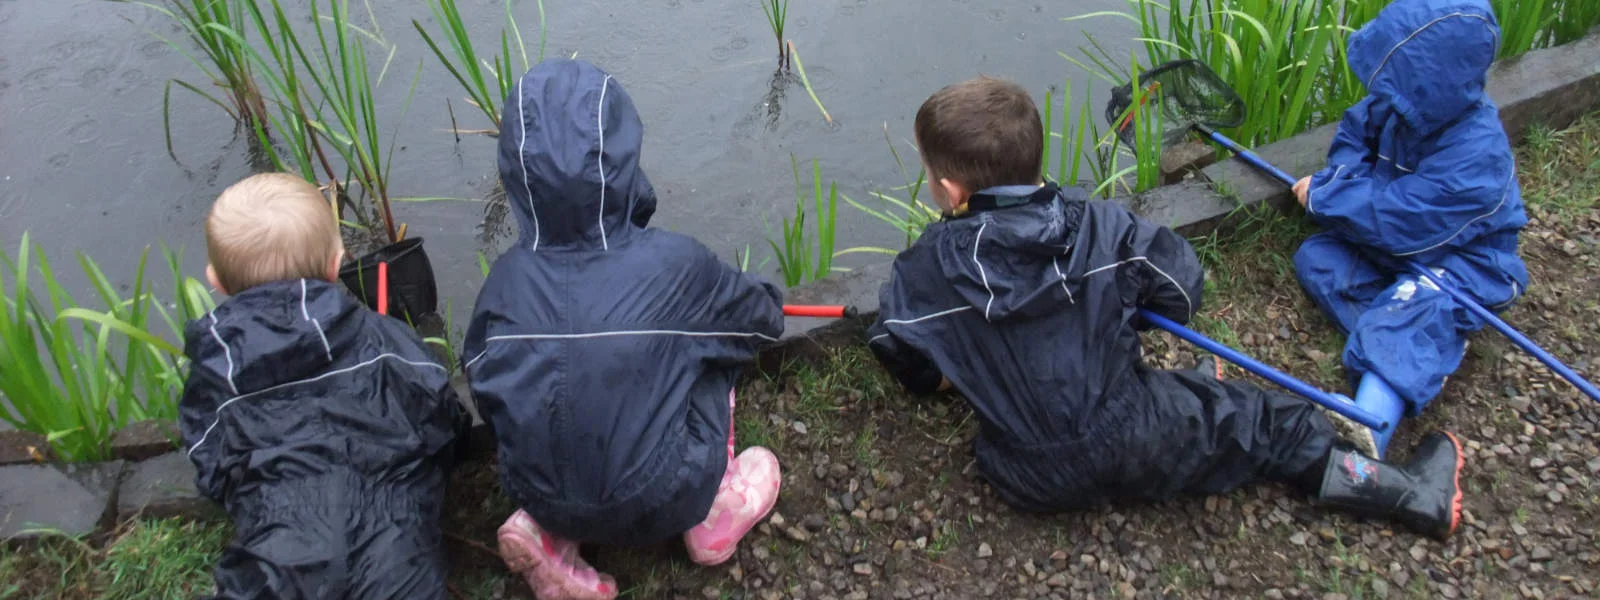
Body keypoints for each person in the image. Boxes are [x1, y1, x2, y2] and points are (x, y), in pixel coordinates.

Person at [867, 76, 1466, 541]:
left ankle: (1187, 399)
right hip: (1132, 437)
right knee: (1277, 424)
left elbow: (904, 355)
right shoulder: (1102, 230)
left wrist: (948, 372)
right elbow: (1182, 295)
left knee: (1167, 400)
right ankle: (1410, 495)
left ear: (948, 191)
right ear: (1037, 163)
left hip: (1018, 470)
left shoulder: (921, 273)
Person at [463, 59, 786, 600]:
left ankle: (548, 532)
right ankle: (710, 517)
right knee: (716, 352)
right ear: (621, 155)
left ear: (516, 171)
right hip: (660, 497)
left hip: (538, 490)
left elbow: (483, 384)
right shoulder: (675, 266)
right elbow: (760, 321)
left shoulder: (502, 285)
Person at [180, 173, 469, 599]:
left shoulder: (217, 369)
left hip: (273, 562)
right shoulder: (384, 340)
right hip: (398, 559)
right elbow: (443, 417)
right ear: (337, 266)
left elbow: (209, 459)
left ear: (216, 281)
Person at [1291, 0, 1527, 459]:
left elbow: (1401, 219)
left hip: (1464, 263)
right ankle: (1403, 342)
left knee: (1416, 306)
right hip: (1396, 249)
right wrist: (1342, 179)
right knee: (1318, 259)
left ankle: (1369, 426)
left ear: (1434, 86)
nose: (1384, 94)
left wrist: (1326, 198)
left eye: (1398, 84)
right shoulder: (1396, 105)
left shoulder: (1479, 156)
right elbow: (1354, 137)